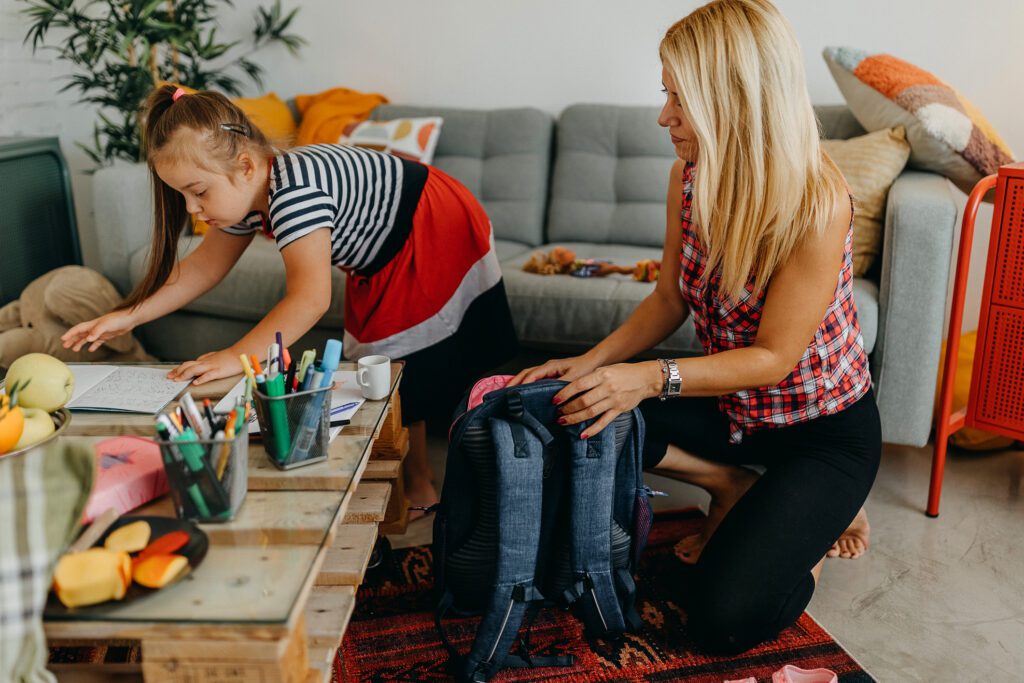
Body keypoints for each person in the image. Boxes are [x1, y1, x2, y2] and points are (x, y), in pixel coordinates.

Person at [510, 0, 880, 653]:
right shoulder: (690, 177)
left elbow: (772, 357)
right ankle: (730, 483)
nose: (663, 116)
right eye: (666, 95)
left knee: (720, 620)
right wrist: (591, 365)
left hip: (820, 435)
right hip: (735, 412)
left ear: (734, 100)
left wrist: (649, 377)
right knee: (575, 409)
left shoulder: (818, 202)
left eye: (680, 99)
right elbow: (668, 301)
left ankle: (820, 524)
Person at [63, 85, 518, 514]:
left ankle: (424, 486)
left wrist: (234, 357)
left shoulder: (294, 191)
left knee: (396, 360)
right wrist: (128, 316)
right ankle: (415, 482)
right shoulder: (249, 193)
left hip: (432, 224)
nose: (191, 209)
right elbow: (201, 269)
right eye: (180, 195)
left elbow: (309, 299)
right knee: (384, 358)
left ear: (244, 166)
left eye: (197, 191)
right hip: (385, 245)